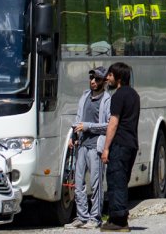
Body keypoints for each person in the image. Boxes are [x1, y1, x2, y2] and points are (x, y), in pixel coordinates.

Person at [70, 66, 112, 228]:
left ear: (104, 82)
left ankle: (95, 217)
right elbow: (78, 119)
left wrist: (88, 126)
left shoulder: (107, 100)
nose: (93, 82)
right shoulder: (85, 96)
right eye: (91, 78)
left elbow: (108, 125)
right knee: (78, 181)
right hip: (82, 144)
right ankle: (82, 216)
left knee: (96, 183)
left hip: (96, 146)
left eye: (97, 79)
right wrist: (73, 135)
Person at [100, 62, 139, 232]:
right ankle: (119, 218)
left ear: (119, 77)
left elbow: (113, 123)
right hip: (131, 144)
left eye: (110, 75)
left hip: (120, 144)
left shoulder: (118, 96)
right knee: (123, 180)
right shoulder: (134, 95)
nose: (107, 78)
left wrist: (106, 147)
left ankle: (119, 221)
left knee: (116, 181)